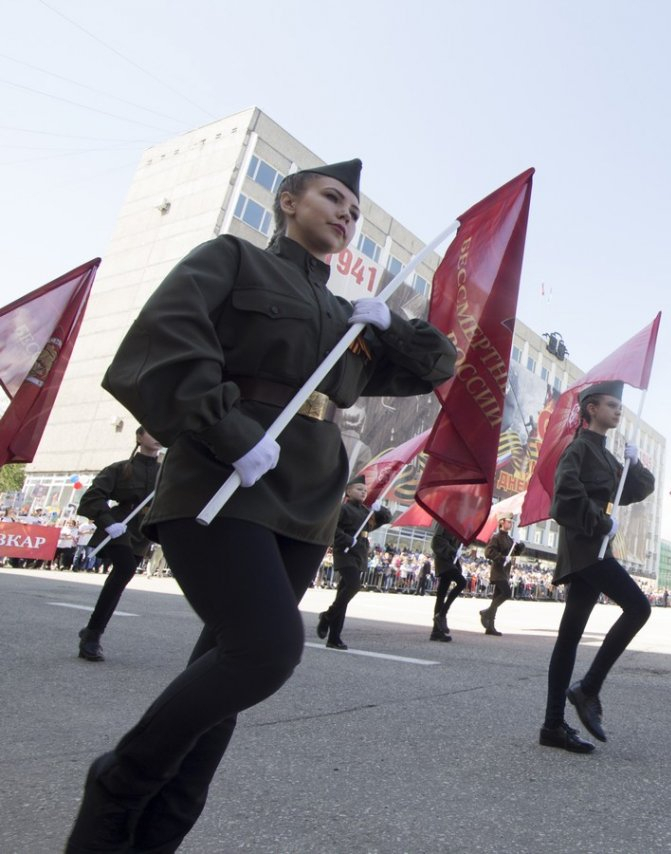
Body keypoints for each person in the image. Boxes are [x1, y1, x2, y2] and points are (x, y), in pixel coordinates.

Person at [66, 158, 457, 853]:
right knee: (265, 651)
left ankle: (154, 836)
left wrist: (390, 322)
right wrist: (225, 430)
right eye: (332, 198)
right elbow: (167, 338)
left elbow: (436, 366)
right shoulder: (233, 259)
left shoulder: (347, 315)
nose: (346, 214)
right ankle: (118, 785)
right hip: (227, 476)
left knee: (222, 690)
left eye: (355, 211)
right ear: (287, 202)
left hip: (307, 498)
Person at [540, 380, 654, 754]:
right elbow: (565, 496)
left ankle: (553, 725)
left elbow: (634, 491)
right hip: (587, 543)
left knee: (570, 634)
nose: (618, 411)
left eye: (619, 406)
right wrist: (601, 522)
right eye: (611, 405)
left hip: (595, 543)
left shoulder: (605, 455)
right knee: (638, 607)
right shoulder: (578, 448)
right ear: (591, 409)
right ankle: (587, 689)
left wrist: (636, 465)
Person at [75, 427, 163, 662]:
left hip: (143, 530)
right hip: (118, 526)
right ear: (139, 436)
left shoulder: (166, 472)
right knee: (125, 569)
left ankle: (91, 630)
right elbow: (92, 498)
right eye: (151, 431)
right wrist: (107, 521)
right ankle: (93, 635)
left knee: (121, 577)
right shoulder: (120, 469)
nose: (157, 436)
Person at [316, 475, 391, 650]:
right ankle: (327, 616)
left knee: (343, 596)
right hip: (345, 551)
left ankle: (334, 637)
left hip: (359, 553)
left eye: (365, 490)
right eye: (359, 489)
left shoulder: (366, 512)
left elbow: (382, 520)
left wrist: (380, 510)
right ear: (348, 491)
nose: (363, 492)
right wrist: (347, 539)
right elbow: (332, 528)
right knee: (353, 586)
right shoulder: (343, 509)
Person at [480, 513, 524, 636]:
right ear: (502, 522)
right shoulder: (496, 537)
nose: (510, 523)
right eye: (508, 521)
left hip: (505, 572)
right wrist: (502, 557)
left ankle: (490, 627)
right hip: (498, 571)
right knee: (507, 593)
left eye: (511, 522)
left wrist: (520, 546)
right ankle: (486, 613)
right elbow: (488, 552)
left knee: (496, 598)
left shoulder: (509, 539)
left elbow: (514, 553)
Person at [429, 523, 468, 641]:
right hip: (443, 560)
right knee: (462, 582)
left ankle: (436, 631)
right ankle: (441, 615)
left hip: (451, 560)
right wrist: (452, 551)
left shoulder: (457, 523)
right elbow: (436, 541)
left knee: (441, 595)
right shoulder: (444, 521)